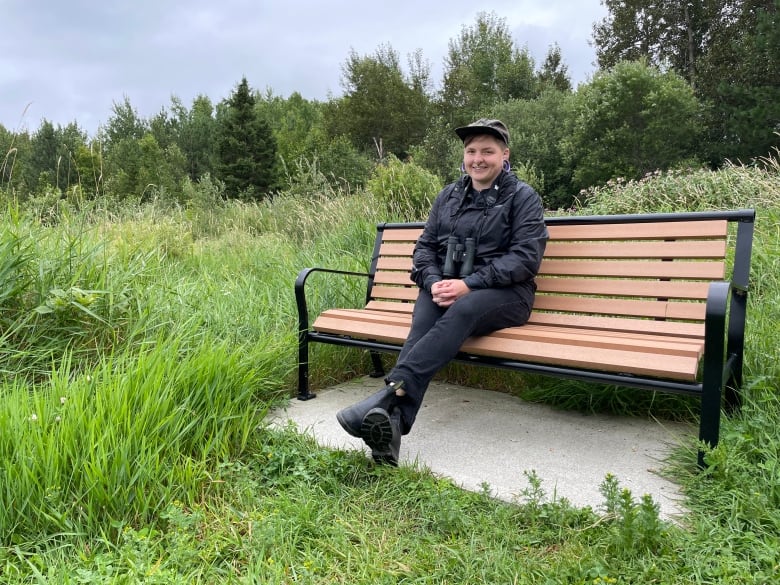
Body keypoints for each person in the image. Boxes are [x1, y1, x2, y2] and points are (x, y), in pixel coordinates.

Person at [337, 119, 549, 465]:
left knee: (464, 309)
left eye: (487, 151)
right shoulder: (448, 196)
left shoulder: (522, 197)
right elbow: (424, 248)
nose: (477, 159)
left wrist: (470, 284)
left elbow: (525, 258)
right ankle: (391, 424)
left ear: (505, 155)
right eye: (471, 151)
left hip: (506, 294)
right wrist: (434, 281)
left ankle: (386, 394)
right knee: (423, 322)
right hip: (446, 287)